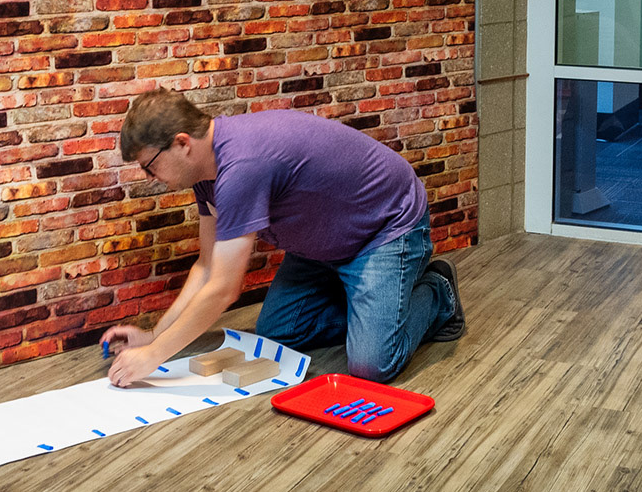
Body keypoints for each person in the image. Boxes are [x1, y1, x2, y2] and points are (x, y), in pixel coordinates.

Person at [100, 89, 465, 387]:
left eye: (150, 166)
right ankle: (369, 307)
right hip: (322, 241)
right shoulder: (204, 174)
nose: (150, 177)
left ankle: (437, 293)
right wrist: (153, 335)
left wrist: (154, 356)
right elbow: (207, 266)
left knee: (372, 364)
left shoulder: (241, 167)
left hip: (383, 228)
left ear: (182, 143)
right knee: (279, 332)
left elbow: (224, 289)